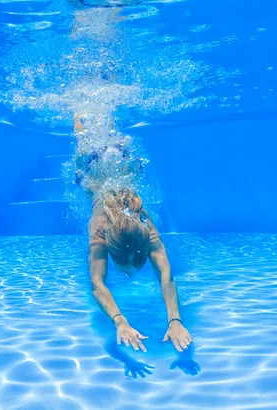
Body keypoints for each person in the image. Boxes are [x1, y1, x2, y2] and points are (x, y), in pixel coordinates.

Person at [73, 113, 193, 353]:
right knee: (83, 139)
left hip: (117, 165)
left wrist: (175, 321)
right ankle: (83, 110)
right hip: (100, 167)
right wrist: (120, 322)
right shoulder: (100, 229)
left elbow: (165, 277)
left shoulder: (145, 228)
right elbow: (96, 285)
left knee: (88, 138)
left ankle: (90, 110)